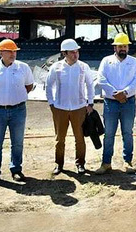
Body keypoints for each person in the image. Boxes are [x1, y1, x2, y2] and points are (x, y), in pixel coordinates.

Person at [0, 39, 34, 186]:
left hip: (18, 110)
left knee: (17, 143)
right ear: (0, 52)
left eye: (14, 51)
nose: (13, 54)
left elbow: (29, 86)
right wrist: (1, 99)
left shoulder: (23, 68)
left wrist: (14, 98)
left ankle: (16, 169)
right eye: (9, 51)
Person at [45, 39, 94, 175]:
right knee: (60, 138)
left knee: (80, 137)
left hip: (79, 108)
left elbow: (90, 85)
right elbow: (49, 85)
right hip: (60, 108)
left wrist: (90, 103)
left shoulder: (84, 67)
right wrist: (51, 103)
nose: (75, 54)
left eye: (76, 51)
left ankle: (80, 164)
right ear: (64, 53)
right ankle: (59, 164)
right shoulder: (56, 67)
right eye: (72, 52)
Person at [95, 33, 136, 175]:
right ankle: (106, 163)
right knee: (109, 133)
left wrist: (125, 93)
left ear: (128, 47)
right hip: (111, 102)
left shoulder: (134, 62)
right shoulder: (106, 61)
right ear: (115, 47)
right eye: (120, 46)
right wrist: (115, 93)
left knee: (127, 132)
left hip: (128, 102)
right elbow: (101, 79)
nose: (123, 48)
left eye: (125, 46)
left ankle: (128, 161)